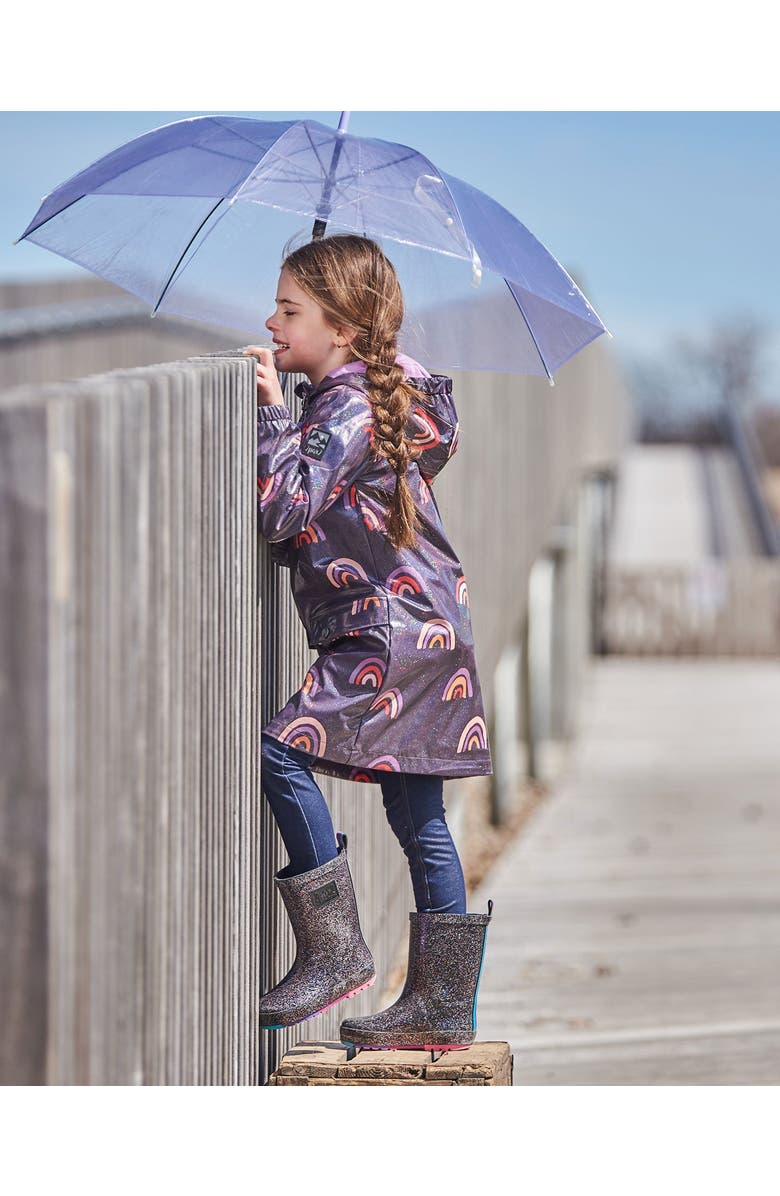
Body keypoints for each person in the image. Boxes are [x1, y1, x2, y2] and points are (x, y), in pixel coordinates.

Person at [245, 233, 493, 1051]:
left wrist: (272, 412)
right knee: (419, 816)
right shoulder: (370, 399)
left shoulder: (346, 406)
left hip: (385, 631)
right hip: (428, 627)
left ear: (343, 330)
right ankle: (441, 1008)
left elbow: (284, 510)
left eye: (290, 311)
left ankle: (334, 950)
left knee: (280, 751)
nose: (273, 324)